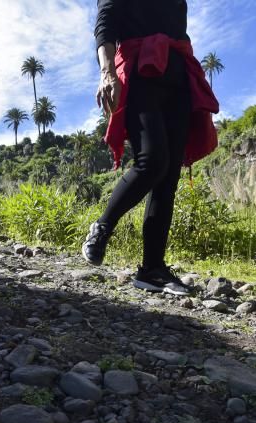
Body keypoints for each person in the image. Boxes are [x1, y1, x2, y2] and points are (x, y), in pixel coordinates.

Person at [83, 0, 219, 295]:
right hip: (140, 72)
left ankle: (152, 269)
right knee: (152, 159)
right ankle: (102, 227)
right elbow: (105, 24)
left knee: (169, 177)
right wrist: (106, 73)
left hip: (178, 79)